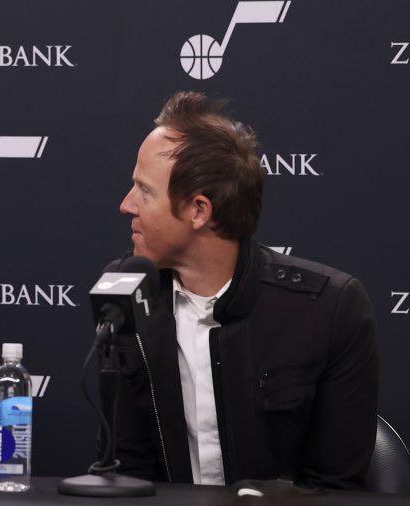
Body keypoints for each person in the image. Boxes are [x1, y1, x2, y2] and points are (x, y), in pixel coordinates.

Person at [111, 91, 378, 489]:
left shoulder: (331, 309)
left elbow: (335, 487)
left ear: (199, 210)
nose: (126, 205)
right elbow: (127, 471)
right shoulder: (127, 294)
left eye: (144, 191)